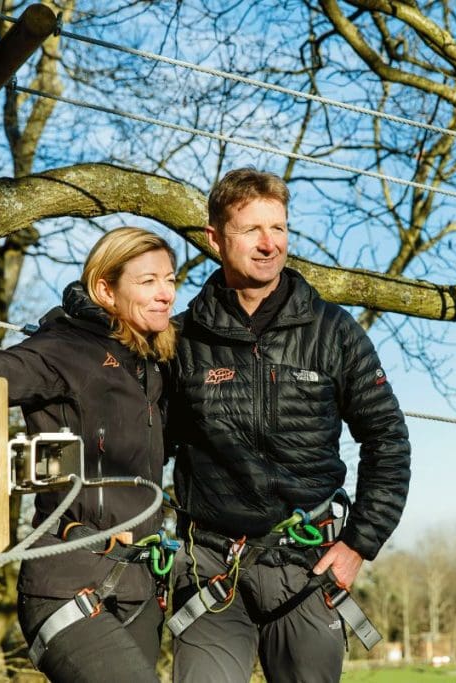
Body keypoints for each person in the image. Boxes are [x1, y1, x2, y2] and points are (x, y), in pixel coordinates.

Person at [0, 227, 177, 682]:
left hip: (142, 588)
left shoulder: (153, 369)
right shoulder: (65, 349)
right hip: (69, 579)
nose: (165, 294)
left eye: (171, 280)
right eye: (148, 281)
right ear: (105, 288)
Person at [166, 168, 411, 683]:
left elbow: (387, 439)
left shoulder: (333, 331)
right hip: (210, 567)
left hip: (307, 567)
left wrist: (360, 543)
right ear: (215, 238)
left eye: (278, 228)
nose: (268, 243)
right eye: (251, 229)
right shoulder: (180, 339)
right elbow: (142, 443)